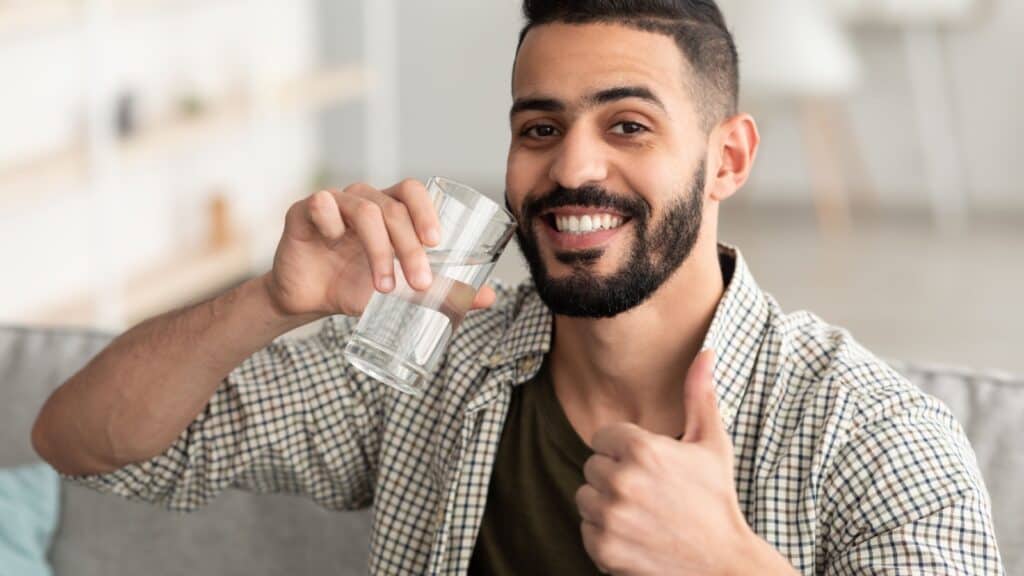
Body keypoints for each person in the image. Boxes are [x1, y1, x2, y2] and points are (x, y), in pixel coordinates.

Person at [32, 1, 1004, 574]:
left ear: (726, 159)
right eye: (538, 128)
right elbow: (86, 448)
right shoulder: (427, 368)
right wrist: (266, 301)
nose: (570, 168)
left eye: (626, 125)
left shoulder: (875, 437)